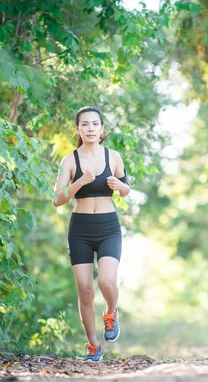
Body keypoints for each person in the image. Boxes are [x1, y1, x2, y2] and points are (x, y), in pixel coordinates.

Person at [52, 106, 131, 363]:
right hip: (81, 230)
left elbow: (125, 188)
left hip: (108, 227)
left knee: (107, 282)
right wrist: (81, 181)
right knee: (85, 291)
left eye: (94, 124)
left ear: (102, 129)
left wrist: (121, 187)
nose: (90, 129)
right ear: (77, 129)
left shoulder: (114, 156)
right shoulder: (69, 161)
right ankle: (93, 347)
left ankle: (110, 312)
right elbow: (57, 199)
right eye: (84, 124)